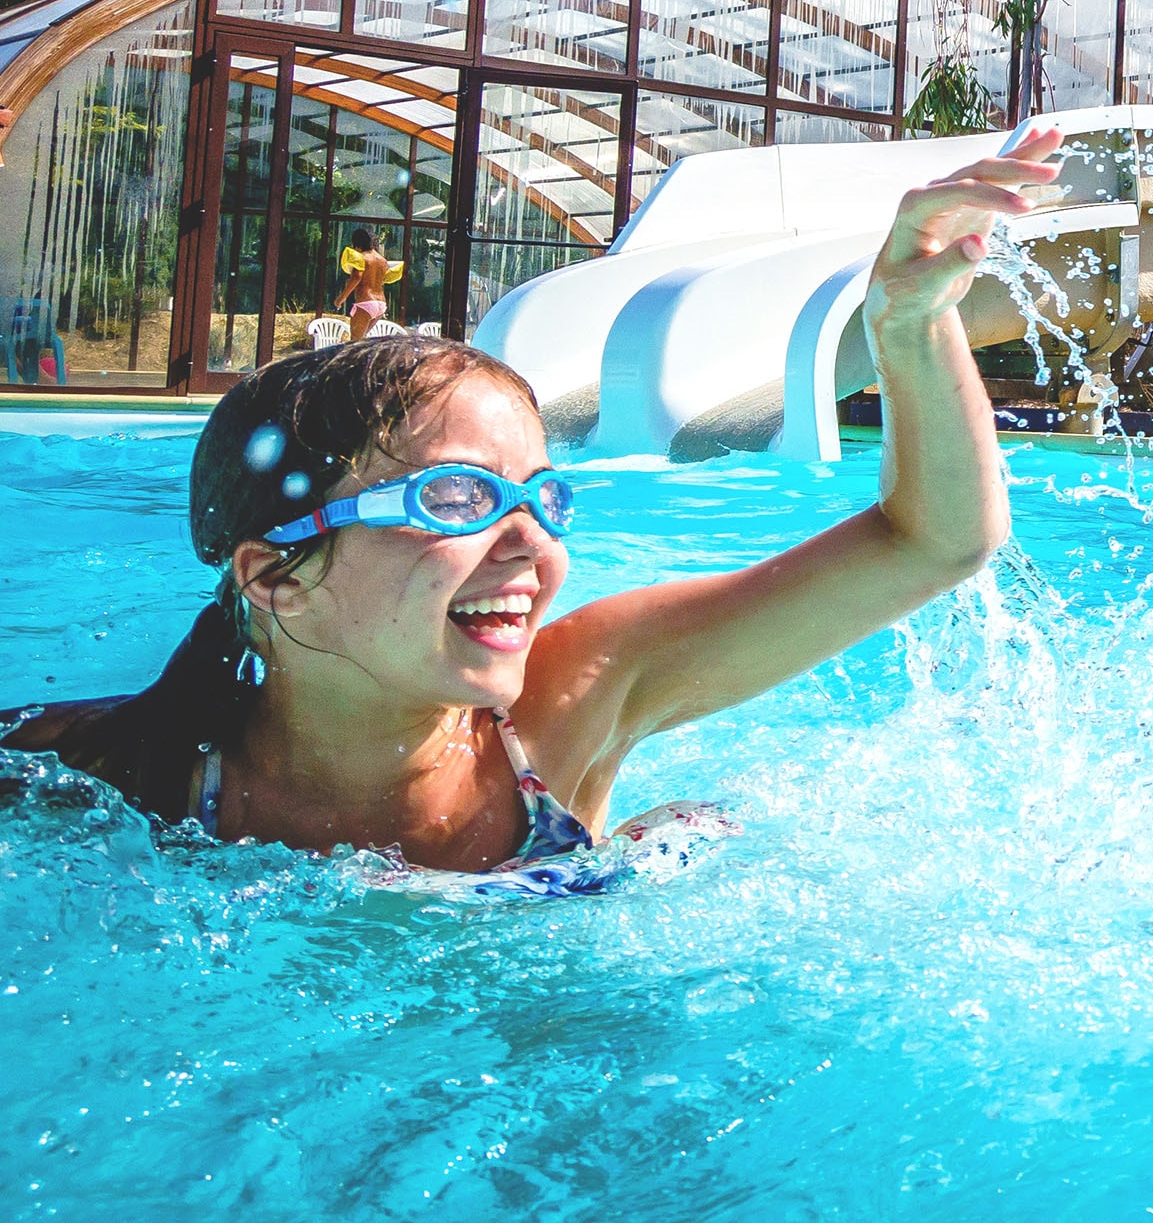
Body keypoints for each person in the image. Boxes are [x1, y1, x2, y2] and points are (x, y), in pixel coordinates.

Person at [1, 125, 1060, 893]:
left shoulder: (571, 702)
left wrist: (909, 323)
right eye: (455, 497)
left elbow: (936, 538)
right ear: (274, 574)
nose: (534, 542)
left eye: (542, 494)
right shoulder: (123, 773)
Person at [337, 227, 394, 337]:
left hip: (366, 302)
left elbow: (357, 277)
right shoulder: (383, 261)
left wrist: (342, 297)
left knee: (354, 343)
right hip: (381, 304)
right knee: (362, 342)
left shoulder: (361, 258)